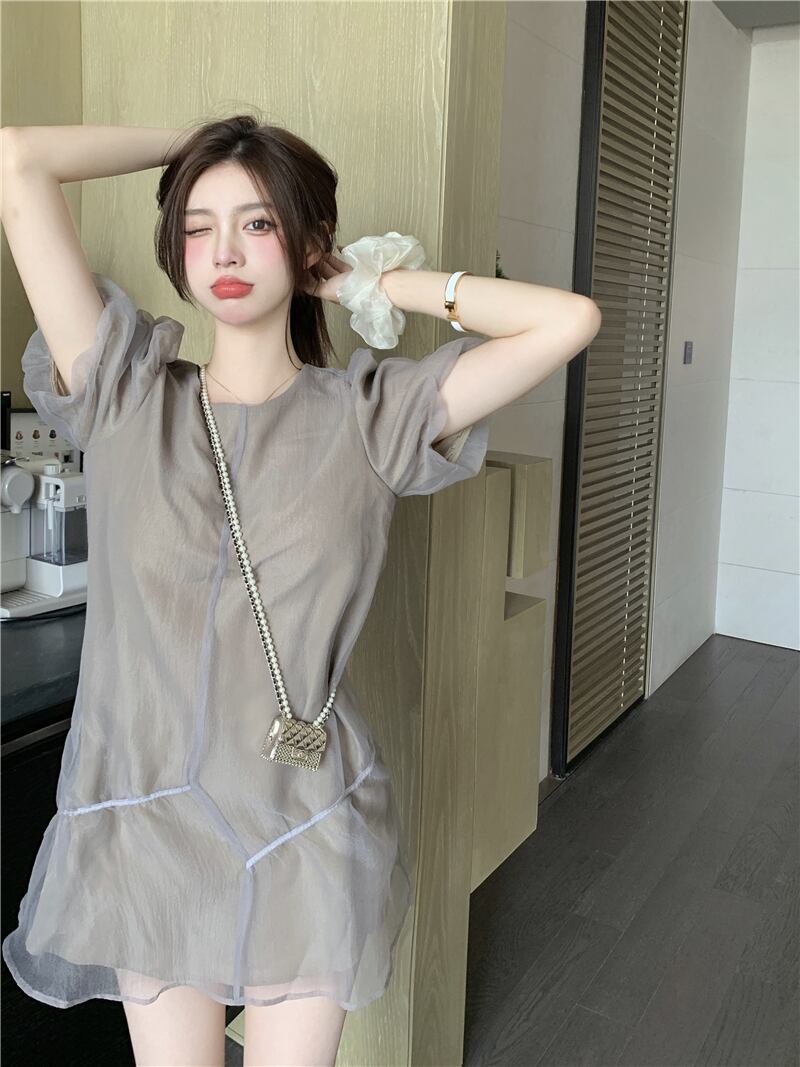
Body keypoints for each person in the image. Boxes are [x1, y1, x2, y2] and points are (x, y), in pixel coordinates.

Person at [0, 114, 601, 1067]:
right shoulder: (123, 393)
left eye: (258, 222)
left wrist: (374, 282)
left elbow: (567, 321)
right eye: (198, 227)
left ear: (307, 242)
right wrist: (199, 138)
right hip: (147, 823)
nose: (225, 253)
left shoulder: (368, 416)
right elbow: (17, 159)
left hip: (304, 824)